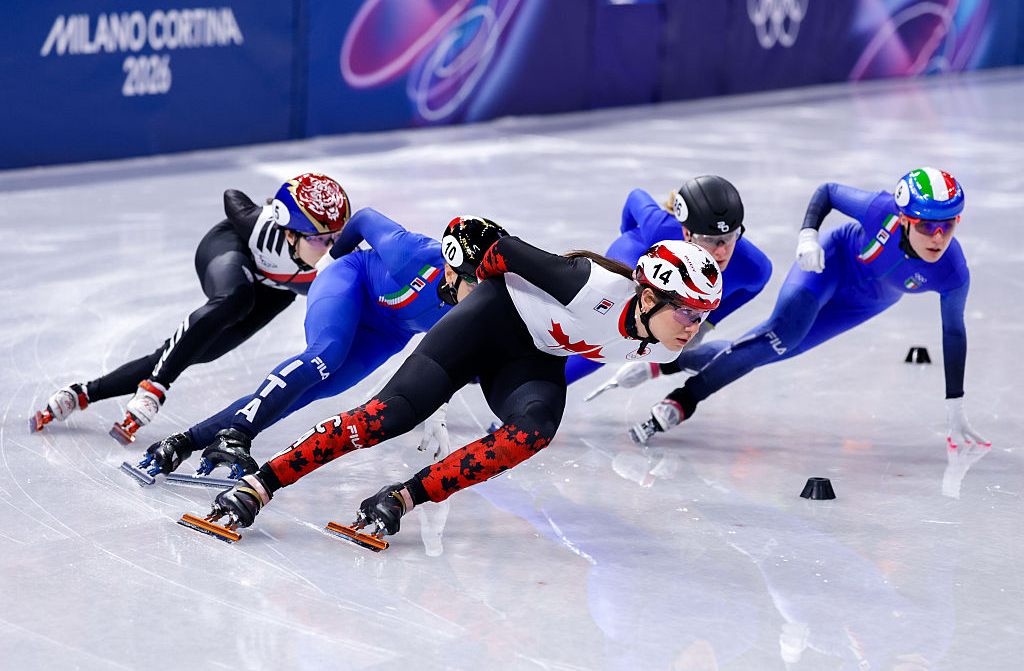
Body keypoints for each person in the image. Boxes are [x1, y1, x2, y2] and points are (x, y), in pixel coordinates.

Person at [185, 237, 723, 543]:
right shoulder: (588, 282)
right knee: (387, 417)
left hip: (532, 358)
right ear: (647, 297)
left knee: (533, 431)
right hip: (487, 321)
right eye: (686, 311)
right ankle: (260, 484)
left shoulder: (663, 348)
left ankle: (400, 497)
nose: (693, 326)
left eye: (702, 315)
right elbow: (502, 249)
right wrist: (469, 296)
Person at [625, 167, 988, 449]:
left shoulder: (953, 273)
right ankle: (685, 399)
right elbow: (828, 192)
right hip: (829, 262)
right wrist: (808, 236)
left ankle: (669, 364)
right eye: (926, 226)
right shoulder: (880, 210)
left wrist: (954, 403)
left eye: (948, 226)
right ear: (905, 218)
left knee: (774, 349)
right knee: (780, 336)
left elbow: (954, 331)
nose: (938, 238)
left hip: (868, 301)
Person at [133, 215, 510, 480]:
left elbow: (462, 361)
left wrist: (448, 409)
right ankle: (237, 436)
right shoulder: (411, 252)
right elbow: (363, 219)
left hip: (389, 331)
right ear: (450, 270)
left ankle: (185, 441)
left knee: (309, 391)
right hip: (352, 280)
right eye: (477, 285)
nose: (484, 296)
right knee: (324, 357)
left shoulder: (480, 301)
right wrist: (331, 259)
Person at [30, 173, 350, 443]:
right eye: (320, 239)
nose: (332, 247)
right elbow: (232, 196)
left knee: (201, 349)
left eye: (338, 235)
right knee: (235, 299)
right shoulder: (260, 225)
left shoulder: (341, 260)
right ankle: (155, 387)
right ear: (289, 233)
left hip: (275, 290)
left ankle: (84, 392)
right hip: (230, 249)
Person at [567, 175, 771, 393]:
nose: (721, 250)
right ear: (686, 233)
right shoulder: (660, 228)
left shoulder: (754, 268)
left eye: (729, 237)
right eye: (709, 239)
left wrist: (707, 324)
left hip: (678, 283)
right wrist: (624, 232)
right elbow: (635, 197)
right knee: (616, 333)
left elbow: (754, 287)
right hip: (635, 257)